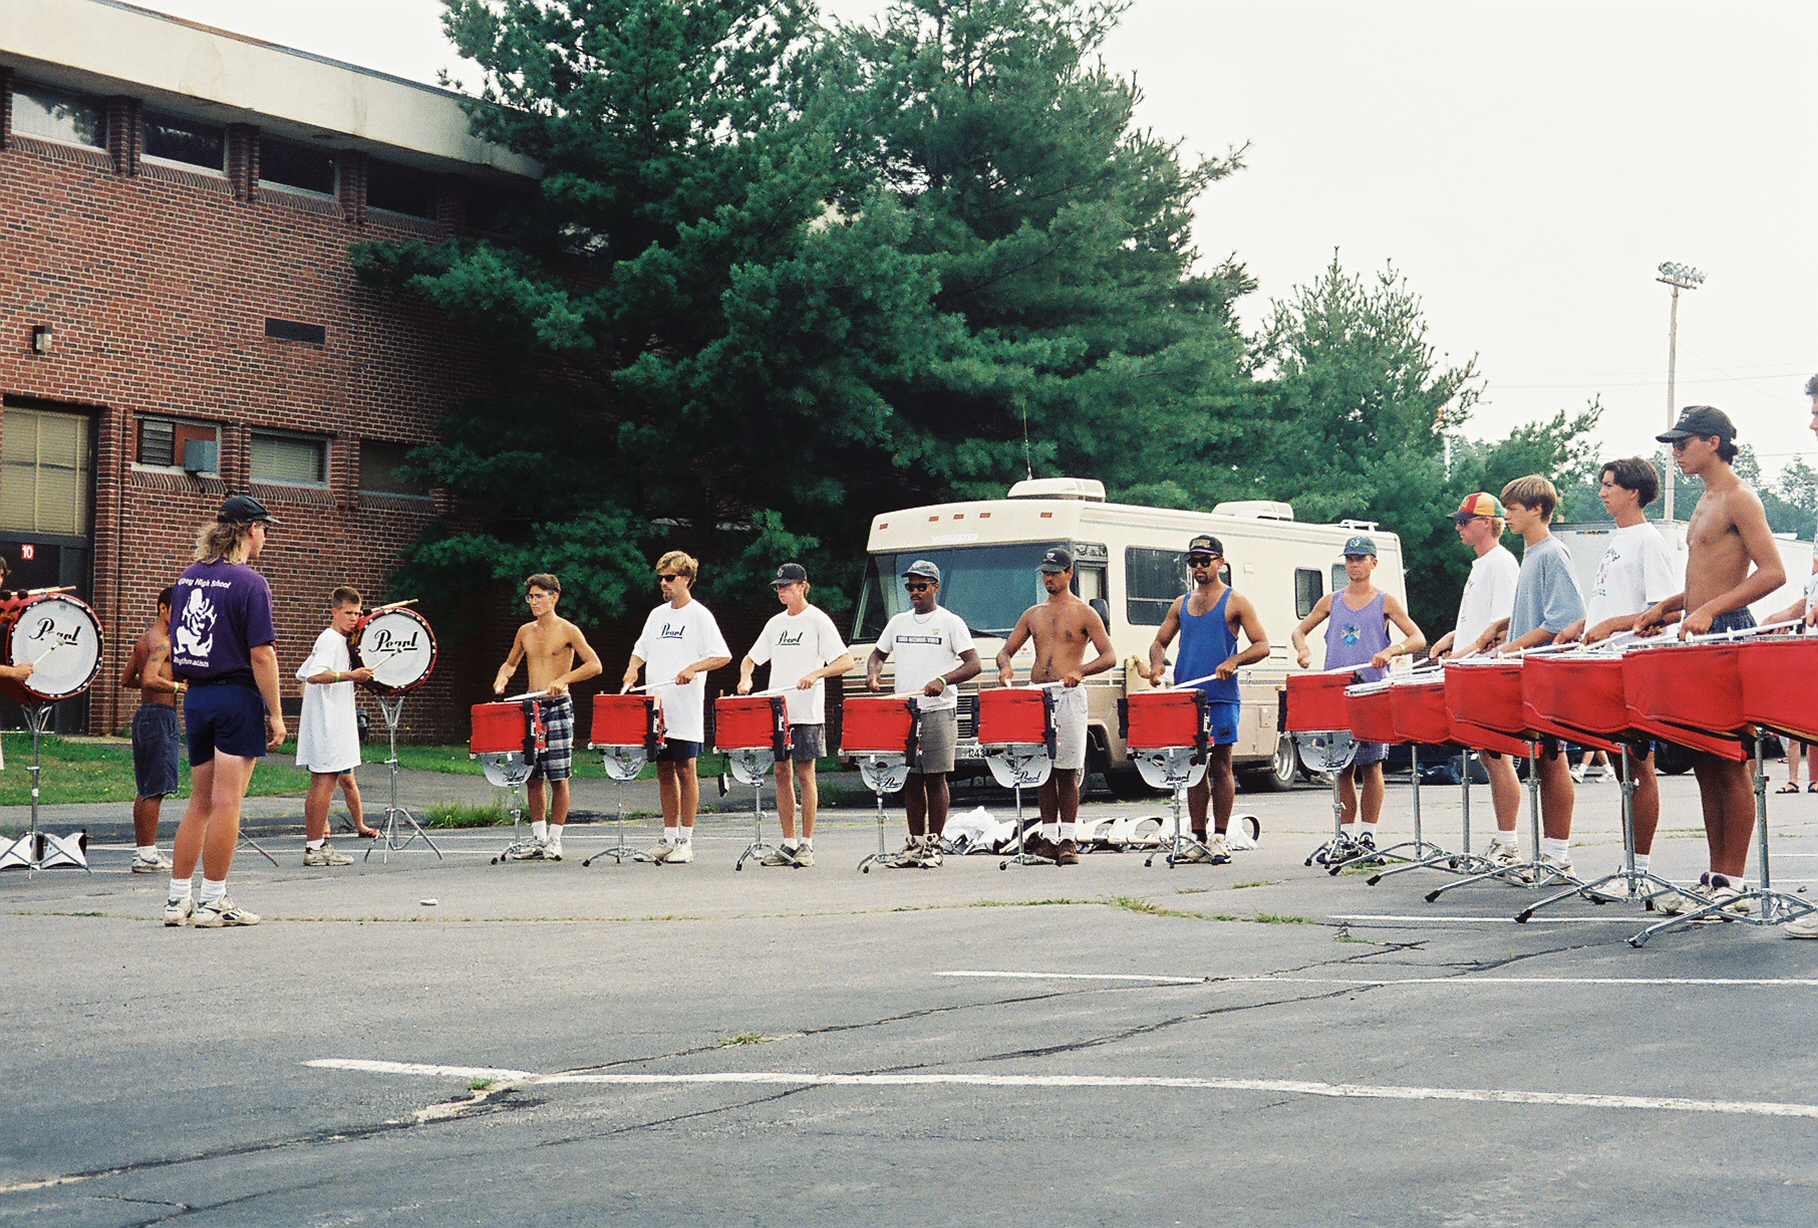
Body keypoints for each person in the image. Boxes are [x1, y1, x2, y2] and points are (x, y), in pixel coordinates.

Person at [1635, 407, 1786, 915]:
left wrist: (1707, 611)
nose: (1675, 452)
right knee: (1704, 759)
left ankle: (1735, 884)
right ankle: (1719, 878)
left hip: (1725, 634)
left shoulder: (1740, 498)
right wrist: (1666, 607)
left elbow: (1773, 573)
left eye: (1683, 443)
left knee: (1729, 760)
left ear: (1713, 442)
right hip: (1697, 632)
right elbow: (1705, 579)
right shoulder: (1705, 500)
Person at [163, 494, 287, 928]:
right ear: (250, 530)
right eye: (264, 528)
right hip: (235, 696)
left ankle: (177, 900)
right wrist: (276, 712)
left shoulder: (187, 578)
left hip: (196, 695)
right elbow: (263, 655)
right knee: (226, 802)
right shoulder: (251, 583)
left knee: (199, 801)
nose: (265, 536)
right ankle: (215, 899)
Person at [1552, 458, 1678, 880]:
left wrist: (1612, 625)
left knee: (1638, 764)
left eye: (1610, 486)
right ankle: (1629, 865)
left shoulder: (1648, 540)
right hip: (1603, 665)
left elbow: (1664, 611)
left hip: (1633, 666)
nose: (1602, 493)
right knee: (1624, 766)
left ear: (1633, 492)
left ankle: (1639, 869)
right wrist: (1584, 625)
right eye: (1602, 485)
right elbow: (1613, 602)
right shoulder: (1617, 539)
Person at [1469, 476, 1587, 880]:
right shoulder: (1533, 553)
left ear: (1538, 509)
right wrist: (1501, 628)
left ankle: (1558, 857)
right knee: (1543, 764)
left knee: (1554, 762)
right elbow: (1536, 613)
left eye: (1514, 510)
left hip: (1545, 673)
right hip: (1527, 671)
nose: (1507, 517)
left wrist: (1510, 648)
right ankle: (1549, 855)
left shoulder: (1553, 552)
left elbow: (1564, 618)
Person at [1290, 535, 1425, 860]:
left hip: (1372, 692)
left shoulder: (1385, 601)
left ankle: (1368, 835)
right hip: (1337, 693)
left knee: (1372, 766)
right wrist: (1304, 650)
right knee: (1341, 768)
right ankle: (1346, 836)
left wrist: (1391, 651)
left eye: (1360, 558)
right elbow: (1299, 631)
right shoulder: (1331, 601)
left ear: (1373, 563)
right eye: (1350, 558)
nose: (1354, 563)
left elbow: (1417, 638)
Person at [1138, 534, 1271, 863]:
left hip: (1222, 696)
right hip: (1188, 697)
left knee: (1221, 765)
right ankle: (1197, 837)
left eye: (1205, 561)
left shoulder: (1235, 601)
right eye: (1193, 561)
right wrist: (1156, 664)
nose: (1198, 567)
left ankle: (1220, 837)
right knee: (1194, 767)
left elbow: (1261, 645)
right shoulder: (1181, 603)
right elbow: (1159, 643)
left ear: (1220, 563)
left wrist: (1233, 661)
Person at [995, 547, 1115, 865]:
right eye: (1045, 572)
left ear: (1069, 574)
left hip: (1068, 694)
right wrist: (1005, 666)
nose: (1049, 577)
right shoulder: (1033, 613)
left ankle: (1068, 838)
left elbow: (1108, 656)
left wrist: (1081, 670)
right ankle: (1048, 836)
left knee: (1067, 766)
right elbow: (1006, 650)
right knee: (1043, 767)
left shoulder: (1085, 613)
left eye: (1055, 572)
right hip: (1039, 694)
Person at [738, 563, 855, 869]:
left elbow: (845, 661)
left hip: (807, 710)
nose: (781, 591)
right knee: (780, 773)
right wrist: (746, 678)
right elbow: (750, 659)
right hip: (778, 709)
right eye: (778, 586)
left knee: (805, 774)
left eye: (787, 586)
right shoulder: (775, 624)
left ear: (804, 586)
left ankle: (807, 844)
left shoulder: (818, 620)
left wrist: (817, 673)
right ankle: (788, 842)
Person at [866, 560, 982, 868]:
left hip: (938, 709)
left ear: (935, 587)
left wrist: (943, 680)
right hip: (908, 710)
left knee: (935, 776)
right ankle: (915, 842)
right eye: (910, 587)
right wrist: (873, 673)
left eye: (921, 587)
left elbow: (974, 664)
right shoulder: (899, 622)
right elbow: (877, 654)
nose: (915, 593)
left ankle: (934, 844)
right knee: (912, 779)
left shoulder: (949, 622)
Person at [1428, 493, 1523, 862]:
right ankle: (1504, 839)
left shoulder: (1500, 562)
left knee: (1497, 757)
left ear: (1487, 523)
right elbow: (1479, 620)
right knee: (1488, 757)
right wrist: (1452, 638)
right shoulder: (1481, 564)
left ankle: (1510, 842)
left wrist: (1462, 654)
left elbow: (1500, 626)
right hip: (1472, 668)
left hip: (1487, 671)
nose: (1458, 527)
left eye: (1465, 521)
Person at [622, 552, 731, 865]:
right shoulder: (657, 615)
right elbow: (639, 650)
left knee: (686, 769)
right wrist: (632, 669)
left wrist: (693, 668)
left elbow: (721, 656)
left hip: (685, 707)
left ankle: (686, 840)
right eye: (661, 578)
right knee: (664, 771)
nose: (663, 584)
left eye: (669, 578)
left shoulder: (700, 616)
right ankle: (668, 837)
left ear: (686, 579)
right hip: (658, 707)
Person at [493, 573, 604, 862]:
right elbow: (511, 662)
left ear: (554, 597)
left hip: (557, 706)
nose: (533, 602)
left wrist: (564, 679)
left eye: (539, 596)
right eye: (530, 596)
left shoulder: (568, 630)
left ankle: (556, 840)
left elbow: (594, 664)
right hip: (531, 707)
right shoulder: (525, 631)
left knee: (558, 775)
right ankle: (539, 839)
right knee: (532, 776)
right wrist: (502, 678)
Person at [295, 586, 378, 866]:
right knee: (324, 782)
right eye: (347, 613)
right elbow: (315, 676)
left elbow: (303, 671)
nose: (353, 618)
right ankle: (316, 848)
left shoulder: (339, 640)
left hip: (332, 718)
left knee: (323, 782)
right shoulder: (329, 639)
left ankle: (316, 845)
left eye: (357, 613)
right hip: (327, 720)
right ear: (335, 612)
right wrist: (350, 675)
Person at [120, 586, 183, 874]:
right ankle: (147, 855)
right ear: (163, 609)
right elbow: (148, 677)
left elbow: (127, 679)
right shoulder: (163, 642)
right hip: (159, 717)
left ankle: (144, 851)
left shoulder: (144, 639)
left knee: (146, 787)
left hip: (145, 714)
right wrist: (177, 687)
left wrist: (158, 687)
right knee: (155, 788)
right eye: (177, 609)